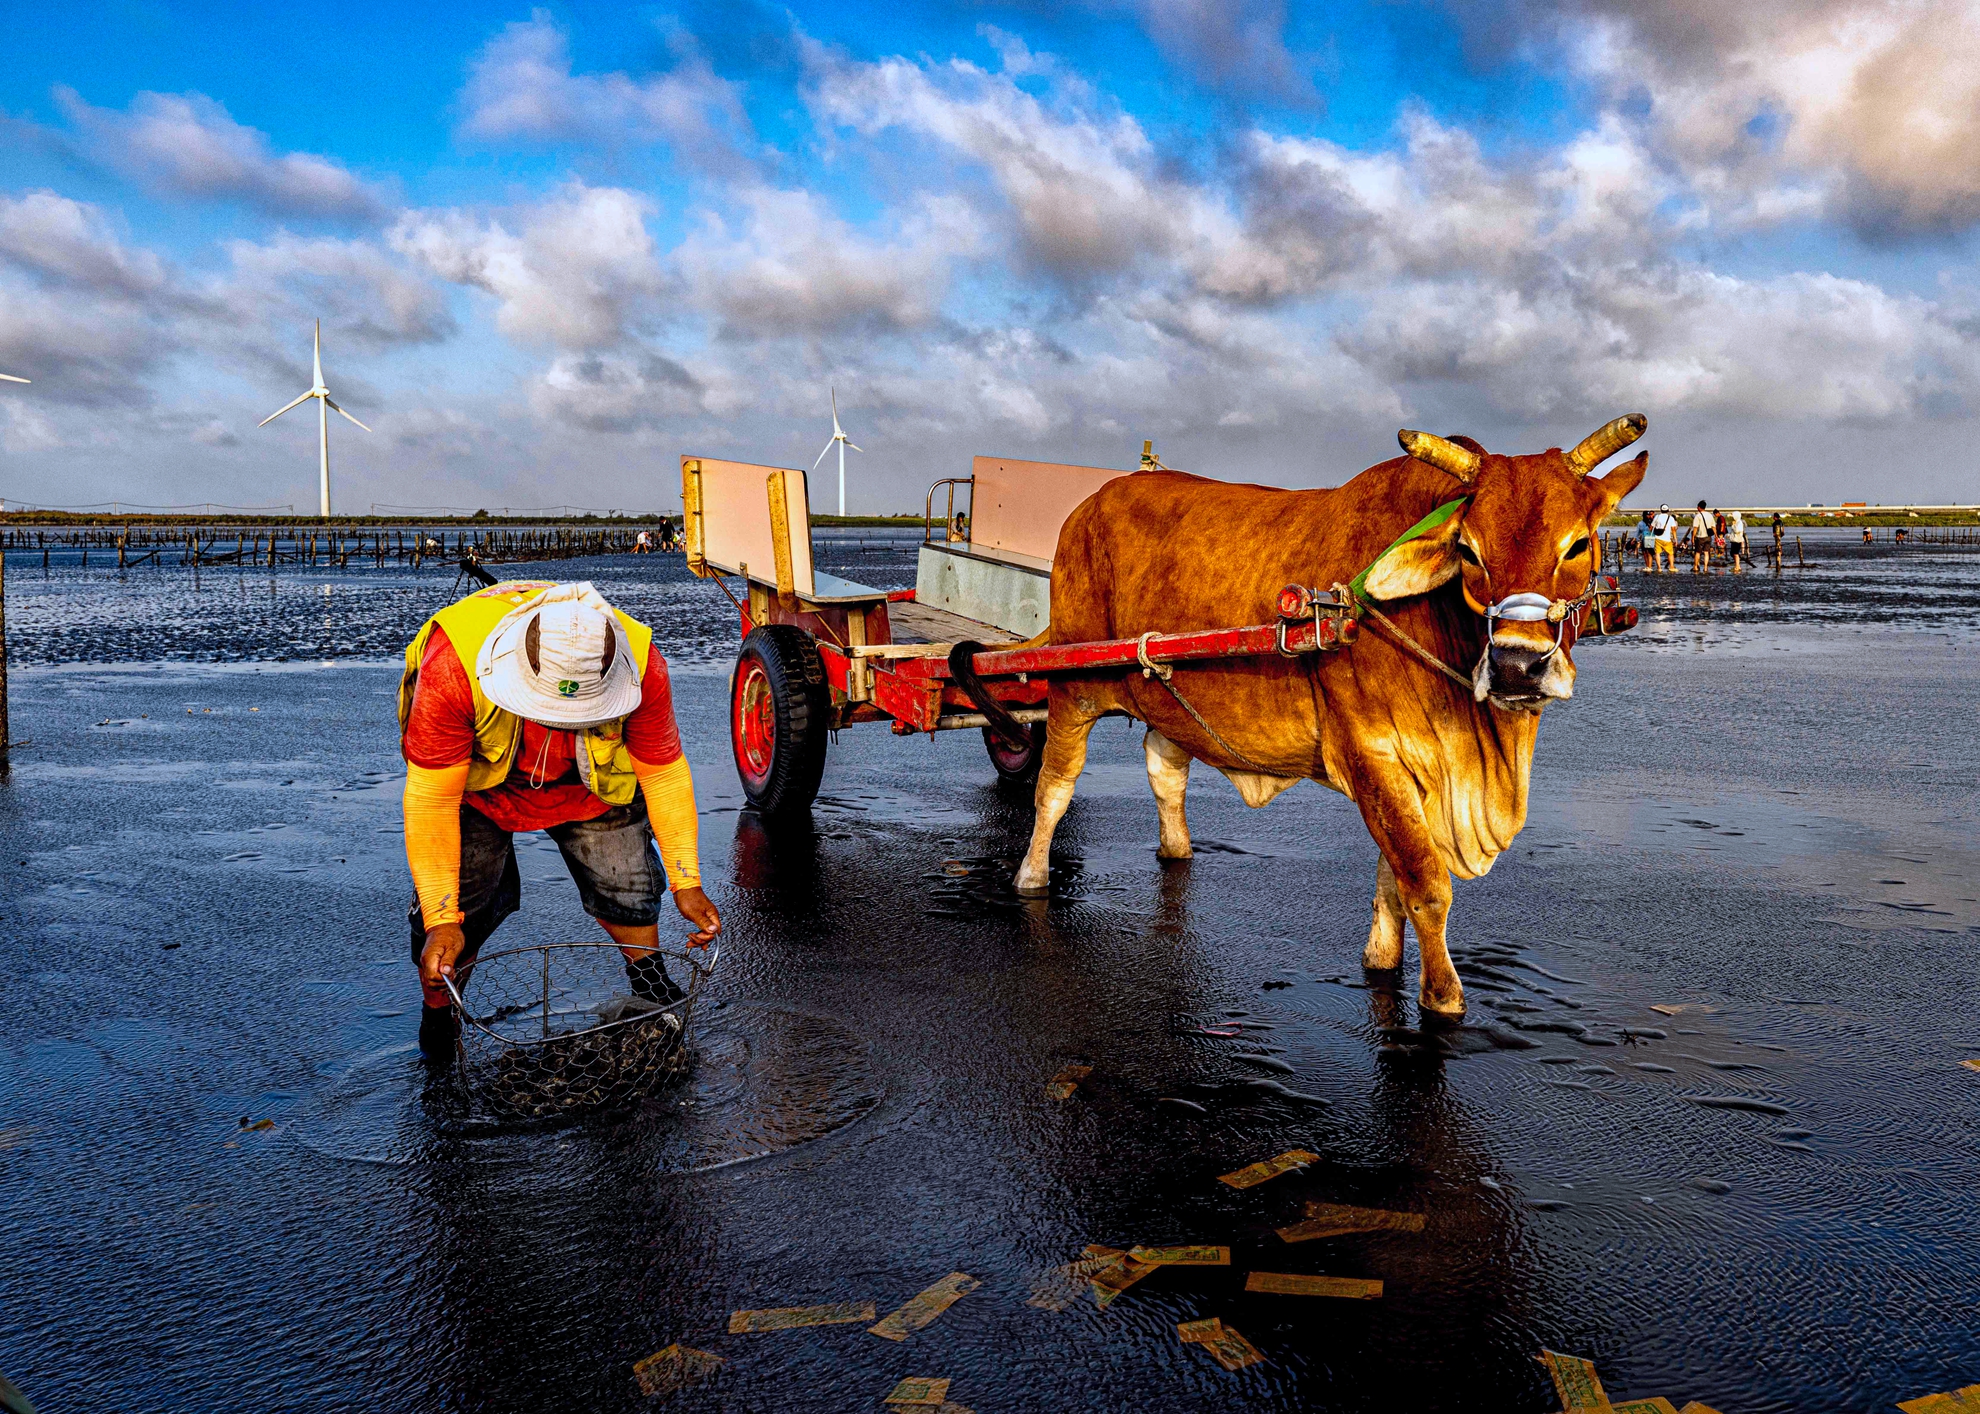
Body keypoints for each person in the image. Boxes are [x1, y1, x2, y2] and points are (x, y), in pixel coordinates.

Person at [398, 580, 722, 1058]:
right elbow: (432, 800)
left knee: (628, 886)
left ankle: (651, 983)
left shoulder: (641, 664)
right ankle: (439, 1013)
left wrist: (687, 881)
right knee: (457, 913)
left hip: (587, 785)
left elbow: (664, 775)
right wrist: (442, 918)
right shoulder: (453, 666)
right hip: (477, 790)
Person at [1650, 503, 1677, 573]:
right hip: (1667, 539)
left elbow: (1651, 527)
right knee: (1670, 553)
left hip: (1658, 538)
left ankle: (1659, 568)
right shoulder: (1671, 518)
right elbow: (1673, 530)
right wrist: (1675, 539)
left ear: (1661, 510)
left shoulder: (1657, 517)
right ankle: (1671, 567)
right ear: (1668, 510)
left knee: (1657, 553)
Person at [1690, 500, 1714, 573]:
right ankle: (1705, 567)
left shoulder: (1698, 516)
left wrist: (1693, 537)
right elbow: (1713, 527)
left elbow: (1695, 528)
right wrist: (1716, 536)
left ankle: (1695, 567)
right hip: (1708, 536)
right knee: (1706, 553)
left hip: (1700, 537)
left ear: (1699, 507)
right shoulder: (1710, 515)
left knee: (1698, 552)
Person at [1726, 509, 1747, 574]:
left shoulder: (1739, 523)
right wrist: (1729, 536)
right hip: (1734, 540)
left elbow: (1737, 531)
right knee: (1733, 553)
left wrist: (1733, 525)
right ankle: (1737, 566)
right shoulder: (1737, 522)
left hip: (1737, 540)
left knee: (1736, 554)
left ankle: (1737, 566)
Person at [1637, 508, 1656, 572]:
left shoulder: (1652, 522)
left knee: (1649, 553)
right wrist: (1637, 540)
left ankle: (1649, 566)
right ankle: (1647, 566)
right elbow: (1638, 532)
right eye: (1647, 515)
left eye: (1649, 515)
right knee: (1644, 553)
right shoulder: (1640, 523)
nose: (1648, 516)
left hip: (1650, 539)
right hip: (1643, 539)